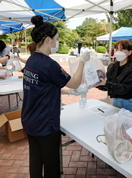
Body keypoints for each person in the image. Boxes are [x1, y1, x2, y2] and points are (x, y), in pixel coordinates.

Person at [21, 15, 90, 178]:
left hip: (30, 119)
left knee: (36, 160)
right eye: (56, 39)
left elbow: (41, 86)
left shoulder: (32, 60)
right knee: (52, 166)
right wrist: (82, 62)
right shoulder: (49, 64)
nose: (57, 42)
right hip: (45, 123)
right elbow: (73, 83)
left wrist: (64, 92)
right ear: (47, 40)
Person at [94, 40, 132, 114]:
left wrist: (106, 84)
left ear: (129, 52)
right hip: (116, 100)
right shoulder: (112, 66)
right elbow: (108, 83)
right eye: (117, 49)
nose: (118, 52)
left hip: (129, 102)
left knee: (130, 124)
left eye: (122, 50)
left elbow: (124, 88)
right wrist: (98, 83)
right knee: (116, 123)